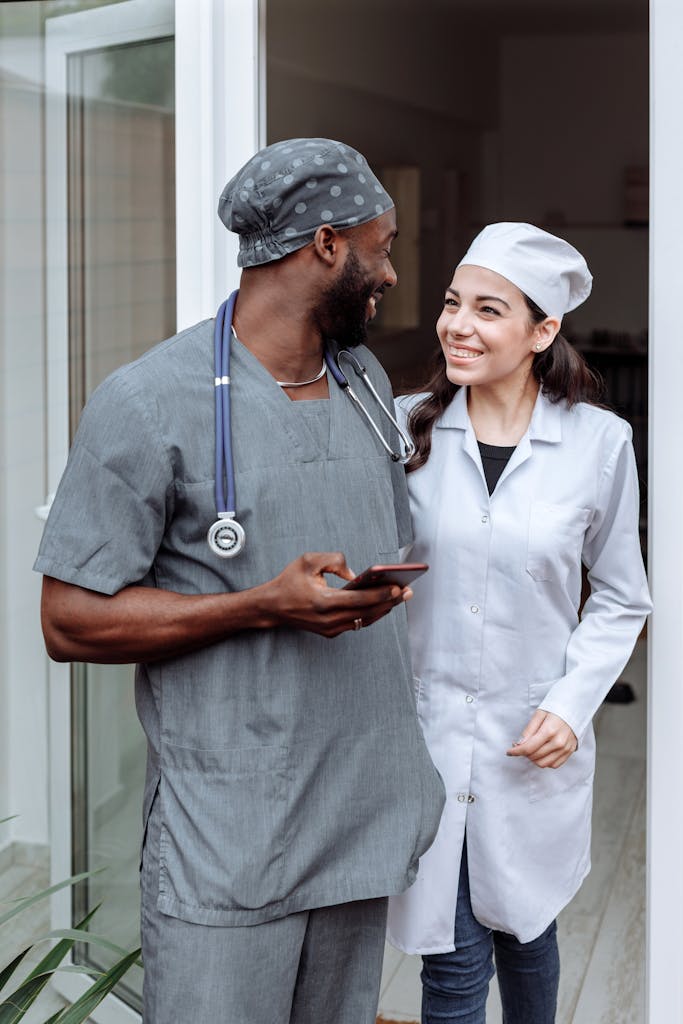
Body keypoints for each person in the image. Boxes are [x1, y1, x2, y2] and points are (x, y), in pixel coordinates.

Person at [35, 137, 445, 1024]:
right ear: (326, 244)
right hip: (233, 837)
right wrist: (261, 606)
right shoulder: (149, 403)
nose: (390, 273)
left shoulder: (366, 382)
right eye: (383, 245)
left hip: (359, 817)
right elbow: (67, 620)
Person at [386, 222, 652, 1024]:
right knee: (454, 967)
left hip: (530, 743)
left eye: (488, 310)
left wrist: (570, 707)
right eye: (450, 303)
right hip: (427, 741)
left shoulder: (598, 444)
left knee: (527, 934)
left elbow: (619, 596)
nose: (458, 325)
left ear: (542, 331)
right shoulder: (402, 430)